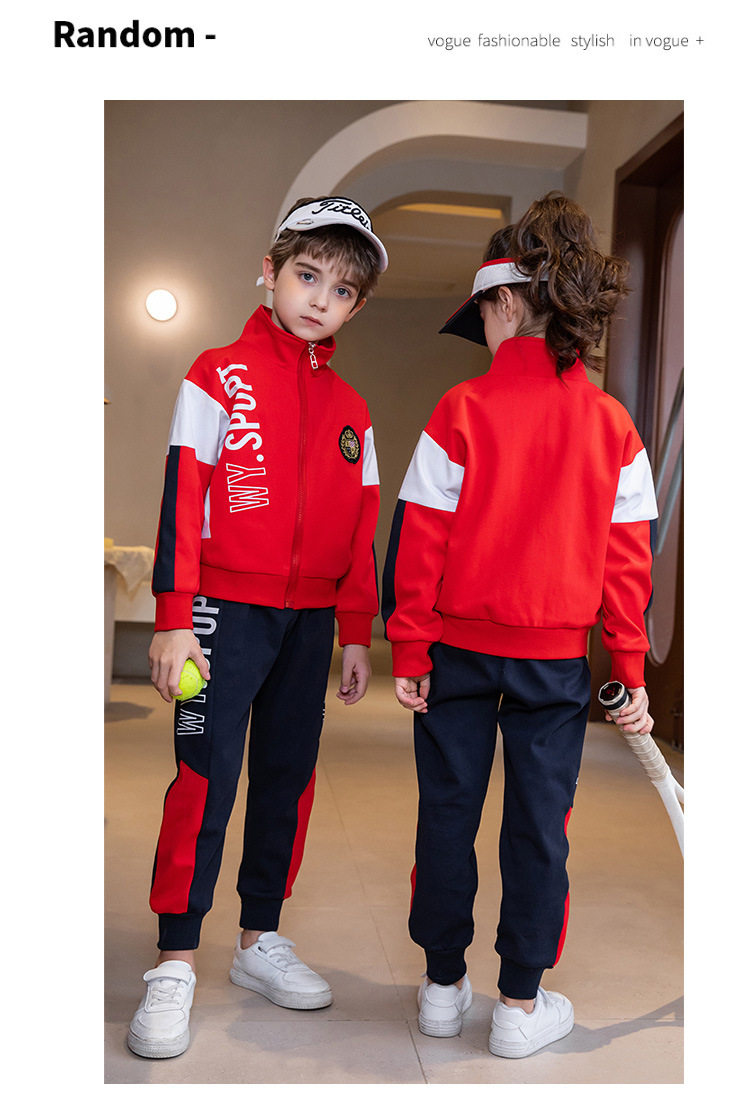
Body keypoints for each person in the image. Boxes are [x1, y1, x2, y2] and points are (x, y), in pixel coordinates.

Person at [382, 192, 658, 1059]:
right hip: (553, 667)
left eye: (483, 317)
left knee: (447, 813)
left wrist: (411, 644)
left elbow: (419, 541)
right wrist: (629, 671)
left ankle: (440, 989)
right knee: (540, 828)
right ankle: (518, 1005)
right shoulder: (614, 426)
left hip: (457, 655)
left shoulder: (458, 410)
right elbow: (627, 566)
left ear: (505, 303)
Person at [127, 196, 387, 1059]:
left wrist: (356, 629)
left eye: (341, 291)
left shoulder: (354, 411)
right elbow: (184, 492)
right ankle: (173, 959)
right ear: (270, 272)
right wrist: (175, 618)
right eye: (307, 276)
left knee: (288, 778)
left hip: (308, 625)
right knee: (205, 779)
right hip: (219, 614)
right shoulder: (216, 374)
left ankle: (258, 938)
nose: (320, 299)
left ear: (355, 307)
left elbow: (362, 526)